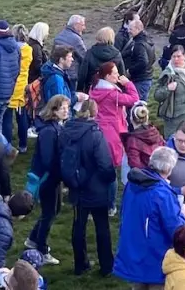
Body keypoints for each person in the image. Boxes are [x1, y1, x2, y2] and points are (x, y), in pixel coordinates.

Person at [114, 146, 185, 287]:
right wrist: (182, 215)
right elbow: (176, 230)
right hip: (154, 257)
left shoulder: (132, 184)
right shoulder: (162, 194)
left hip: (132, 251)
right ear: (169, 169)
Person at [63, 97, 118, 276]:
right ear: (95, 112)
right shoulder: (95, 133)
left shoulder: (67, 130)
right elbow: (104, 163)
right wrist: (109, 179)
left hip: (76, 185)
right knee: (102, 227)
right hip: (96, 187)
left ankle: (80, 264)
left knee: (78, 226)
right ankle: (106, 266)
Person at [27, 95, 69, 264]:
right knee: (49, 213)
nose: (66, 111)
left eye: (67, 107)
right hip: (48, 179)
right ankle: (41, 250)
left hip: (53, 178)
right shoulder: (49, 131)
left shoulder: (55, 127)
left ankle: (32, 239)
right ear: (54, 110)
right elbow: (47, 159)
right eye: (63, 108)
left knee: (54, 210)